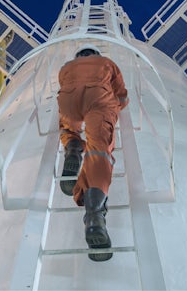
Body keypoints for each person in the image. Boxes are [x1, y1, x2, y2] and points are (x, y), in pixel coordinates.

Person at [56, 46, 128, 261]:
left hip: (68, 100)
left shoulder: (66, 67)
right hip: (98, 97)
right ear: (96, 54)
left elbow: (62, 85)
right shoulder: (107, 63)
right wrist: (116, 108)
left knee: (68, 125)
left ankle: (72, 148)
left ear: (78, 57)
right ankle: (94, 217)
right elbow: (121, 95)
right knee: (99, 152)